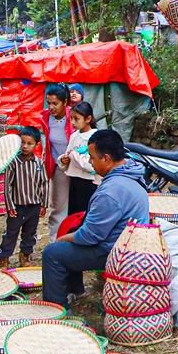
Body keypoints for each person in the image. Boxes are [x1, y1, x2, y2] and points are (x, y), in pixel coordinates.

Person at [41, 130, 149, 309]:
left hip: (115, 250)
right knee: (70, 239)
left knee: (53, 253)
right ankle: (75, 290)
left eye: (92, 158)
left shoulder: (111, 191)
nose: (90, 162)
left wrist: (63, 239)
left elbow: (90, 237)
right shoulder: (133, 172)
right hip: (129, 243)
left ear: (106, 159)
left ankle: (56, 310)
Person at [0, 126, 48, 269]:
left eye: (29, 143)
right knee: (11, 233)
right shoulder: (14, 162)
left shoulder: (39, 163)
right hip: (17, 207)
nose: (25, 146)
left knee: (30, 233)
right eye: (22, 142)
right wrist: (10, 206)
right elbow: (8, 186)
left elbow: (44, 184)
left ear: (37, 145)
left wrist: (44, 204)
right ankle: (3, 257)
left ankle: (25, 255)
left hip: (34, 205)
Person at [40, 84, 74, 240]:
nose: (51, 107)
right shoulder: (46, 118)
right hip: (58, 166)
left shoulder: (74, 116)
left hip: (78, 165)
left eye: (55, 103)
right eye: (49, 103)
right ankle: (56, 240)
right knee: (58, 205)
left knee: (77, 202)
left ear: (65, 102)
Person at [59, 102, 99, 215]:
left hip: (89, 182)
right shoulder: (74, 136)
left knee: (86, 213)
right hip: (74, 181)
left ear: (88, 119)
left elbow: (92, 165)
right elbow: (68, 153)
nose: (72, 122)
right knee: (73, 214)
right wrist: (63, 159)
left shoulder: (96, 137)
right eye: (71, 118)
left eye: (76, 119)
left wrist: (74, 156)